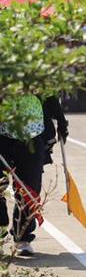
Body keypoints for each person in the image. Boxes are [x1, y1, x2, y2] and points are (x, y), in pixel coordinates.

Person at [0, 95, 49, 258]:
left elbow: (50, 97)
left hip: (32, 136)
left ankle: (23, 239)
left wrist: (58, 121)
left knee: (28, 190)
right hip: (3, 136)